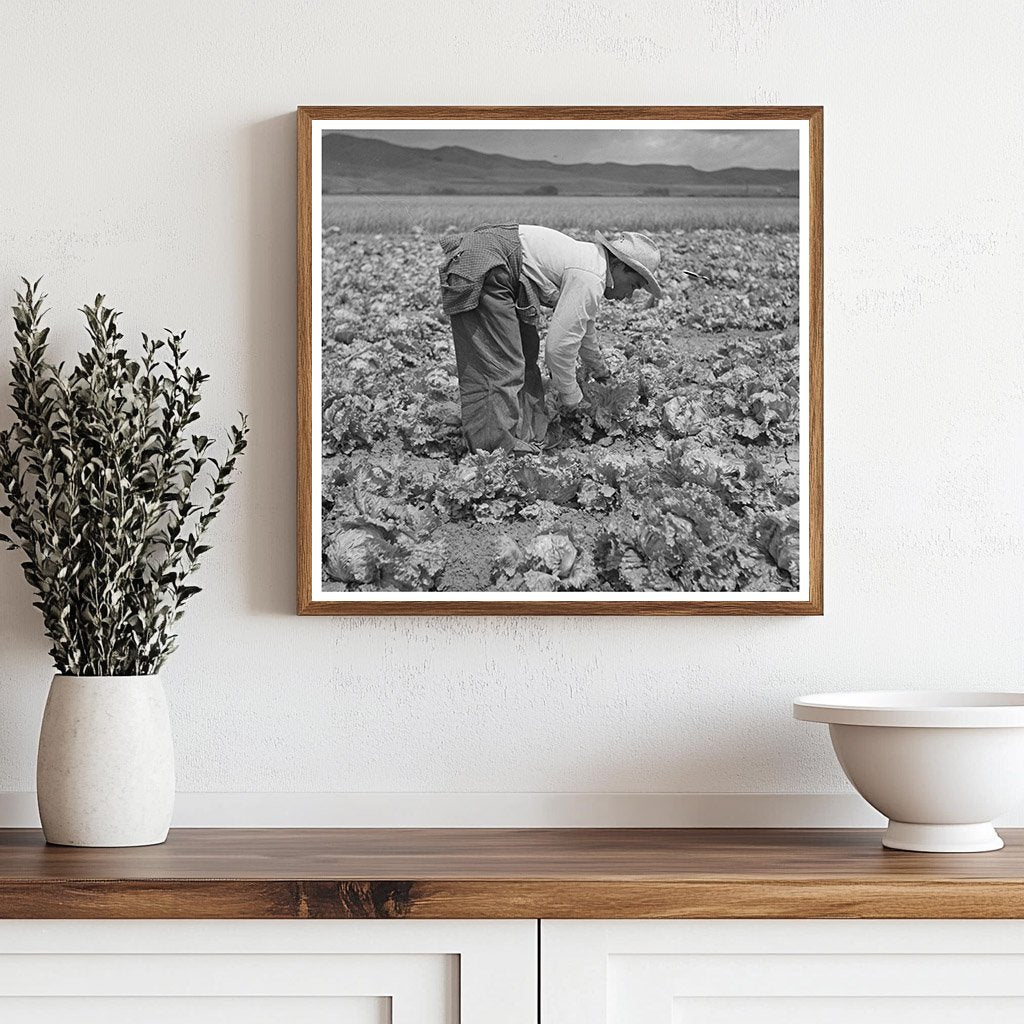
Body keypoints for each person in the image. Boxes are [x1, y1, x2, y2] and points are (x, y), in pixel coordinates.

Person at [437, 223, 663, 453]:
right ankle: (492, 450)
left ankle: (527, 434)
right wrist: (572, 396)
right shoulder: (590, 276)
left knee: (526, 354)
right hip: (486, 264)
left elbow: (585, 328)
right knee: (499, 367)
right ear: (618, 266)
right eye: (633, 285)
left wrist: (599, 369)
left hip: (504, 269)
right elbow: (558, 348)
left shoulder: (593, 264)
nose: (628, 296)